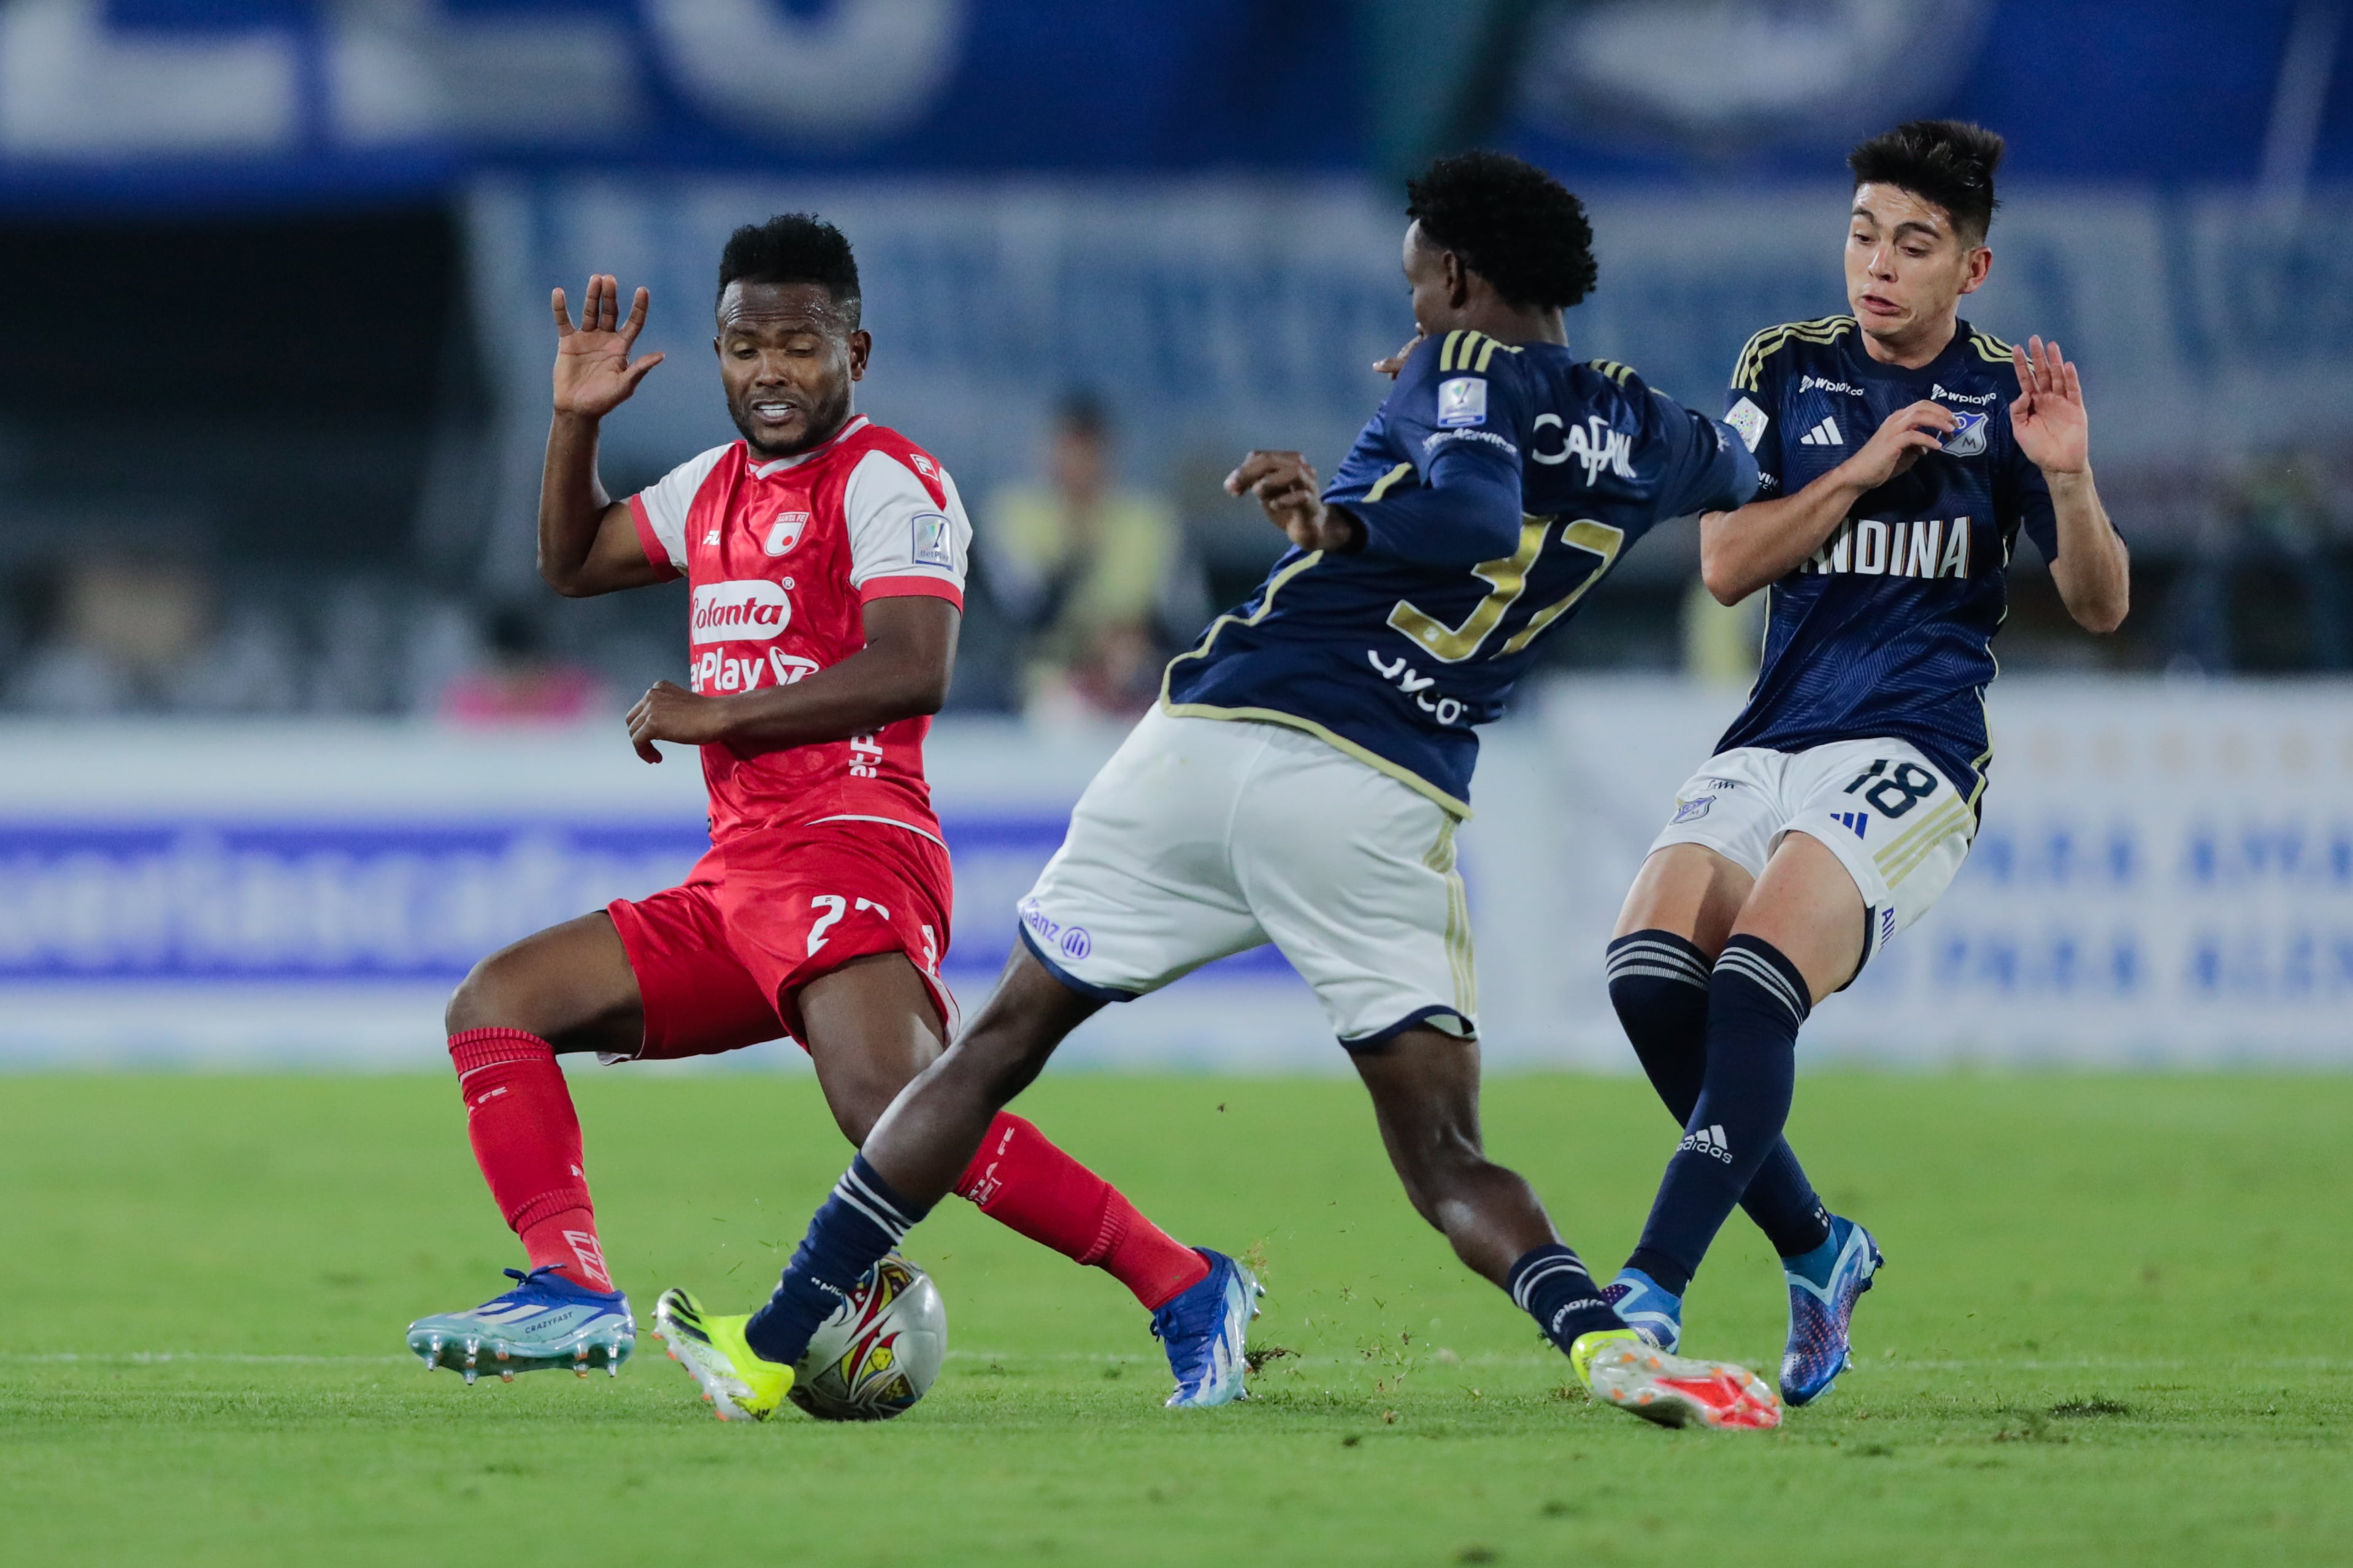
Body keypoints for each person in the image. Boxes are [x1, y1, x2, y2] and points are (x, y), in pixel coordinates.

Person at [667, 153, 1789, 1432]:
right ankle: (1599, 1345)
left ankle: (765, 1349)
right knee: (1443, 1158)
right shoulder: (1647, 428)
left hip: (1214, 739)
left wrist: (1345, 525)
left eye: (1419, 280)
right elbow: (1746, 463)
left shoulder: (1457, 374)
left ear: (1463, 277)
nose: (1410, 307)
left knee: (991, 1053)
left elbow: (1475, 511)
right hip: (1380, 797)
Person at [403, 214, 1244, 1416]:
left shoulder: (891, 479)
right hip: (736, 880)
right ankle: (569, 1290)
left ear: (857, 349)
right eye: (746, 347)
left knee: (889, 1110)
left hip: (856, 844)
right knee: (497, 1007)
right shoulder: (711, 488)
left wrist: (723, 714)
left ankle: (1183, 1283)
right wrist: (577, 419)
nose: (771, 372)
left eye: (800, 346)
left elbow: (917, 667)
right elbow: (574, 559)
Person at [1601, 121, 2130, 1404]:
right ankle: (1817, 1246)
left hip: (1913, 748)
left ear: (1972, 269)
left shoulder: (2012, 400)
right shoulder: (1785, 370)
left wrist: (2065, 482)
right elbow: (1725, 564)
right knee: (1645, 978)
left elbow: (2102, 606)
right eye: (1861, 234)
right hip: (1775, 736)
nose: (1878, 266)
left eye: (1913, 243)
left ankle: (1647, 1291)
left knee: (1750, 988)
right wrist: (1859, 470)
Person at [983, 392, 1196, 722]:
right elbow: (1023, 615)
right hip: (1048, 688)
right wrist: (1080, 542)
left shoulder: (1150, 521)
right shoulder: (1015, 514)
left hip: (1136, 682)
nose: (1081, 464)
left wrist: (1134, 637)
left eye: (1091, 452)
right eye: (1071, 451)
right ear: (1049, 453)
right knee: (1061, 717)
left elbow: (1187, 626)